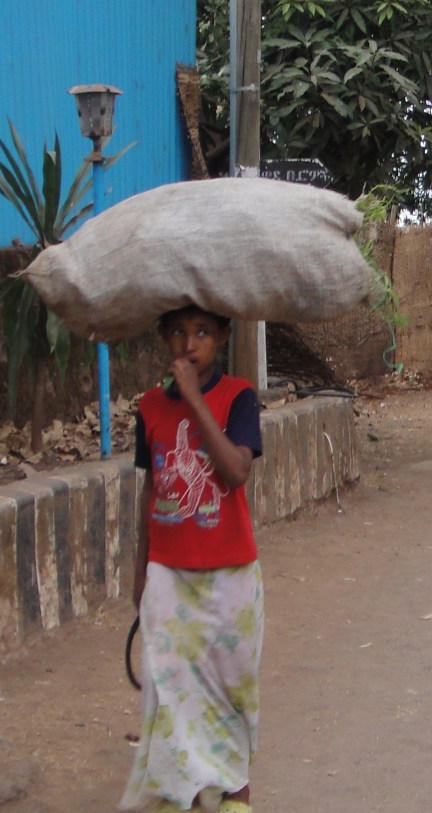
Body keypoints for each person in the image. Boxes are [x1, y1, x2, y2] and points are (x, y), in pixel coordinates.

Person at [120, 305, 265, 813]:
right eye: (178, 332)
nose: (189, 345)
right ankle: (178, 789)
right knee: (171, 687)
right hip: (168, 574)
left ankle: (234, 790)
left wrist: (196, 401)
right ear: (163, 336)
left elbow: (235, 471)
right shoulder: (149, 408)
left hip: (230, 576)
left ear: (223, 336)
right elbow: (151, 490)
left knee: (232, 686)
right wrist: (141, 571)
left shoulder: (239, 397)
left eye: (202, 332)